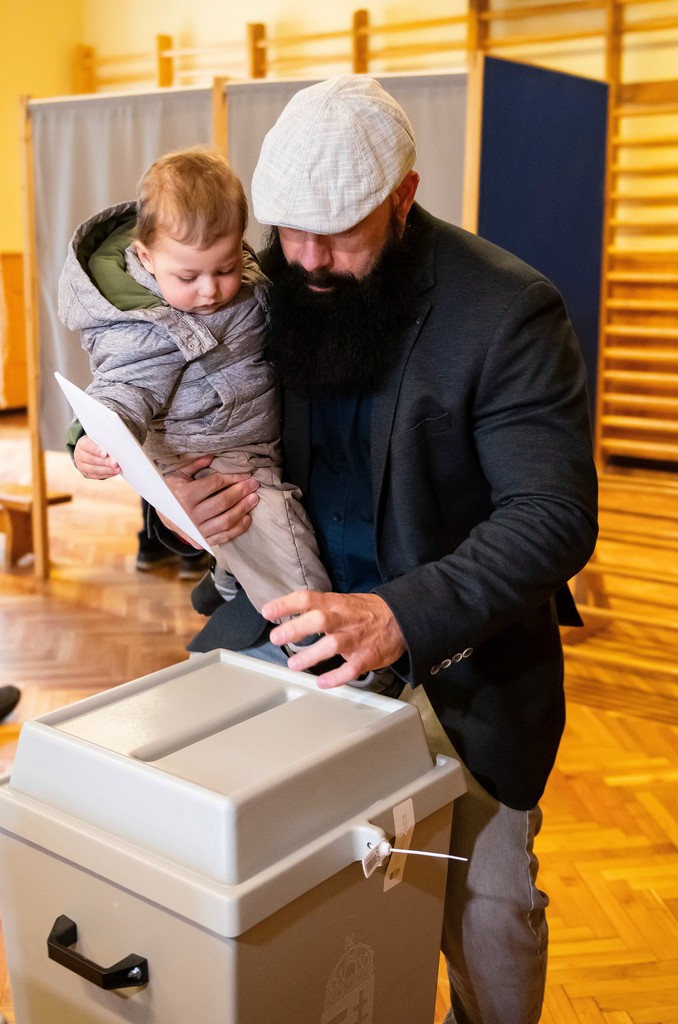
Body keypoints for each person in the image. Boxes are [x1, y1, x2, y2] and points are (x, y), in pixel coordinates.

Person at [74, 76, 598, 1023]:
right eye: (289, 230)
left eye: (338, 232)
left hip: (458, 659)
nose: (306, 259)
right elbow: (195, 433)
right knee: (289, 906)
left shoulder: (508, 310)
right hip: (282, 639)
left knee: (491, 909)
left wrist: (399, 615)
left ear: (403, 196)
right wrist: (179, 500)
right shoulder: (266, 288)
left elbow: (551, 517)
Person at [60, 146, 331, 627]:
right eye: (188, 276)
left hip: (248, 433)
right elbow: (125, 386)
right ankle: (319, 646)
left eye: (226, 268)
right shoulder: (144, 324)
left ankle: (228, 577)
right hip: (209, 454)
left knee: (245, 536)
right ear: (145, 256)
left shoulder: (244, 276)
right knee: (281, 541)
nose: (210, 290)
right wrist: (91, 435)